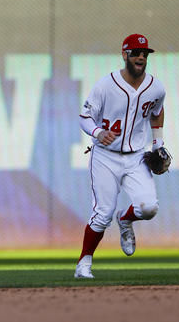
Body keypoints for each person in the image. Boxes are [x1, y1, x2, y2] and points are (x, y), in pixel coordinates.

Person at [74, 34, 168, 278]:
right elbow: (85, 117)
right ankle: (84, 263)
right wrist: (97, 132)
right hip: (105, 156)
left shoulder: (156, 87)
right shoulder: (106, 85)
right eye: (136, 52)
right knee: (102, 213)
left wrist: (158, 144)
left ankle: (125, 221)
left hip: (136, 156)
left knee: (148, 208)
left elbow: (157, 112)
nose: (140, 57)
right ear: (124, 54)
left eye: (144, 53)